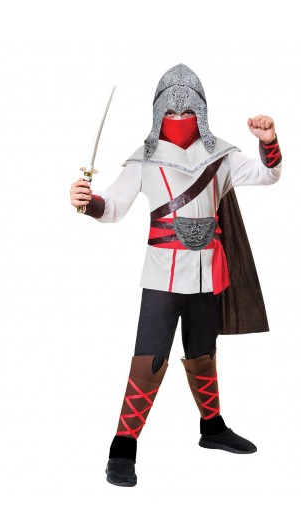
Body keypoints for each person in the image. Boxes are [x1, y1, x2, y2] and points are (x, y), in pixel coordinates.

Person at [69, 63, 283, 487]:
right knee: (147, 361)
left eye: (188, 105)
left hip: (208, 274)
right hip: (161, 279)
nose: (180, 110)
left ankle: (212, 428)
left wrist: (268, 141)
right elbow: (112, 207)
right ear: (158, 109)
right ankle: (122, 449)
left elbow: (268, 174)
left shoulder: (222, 156)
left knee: (203, 353)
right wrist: (87, 201)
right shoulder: (144, 159)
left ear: (201, 108)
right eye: (171, 105)